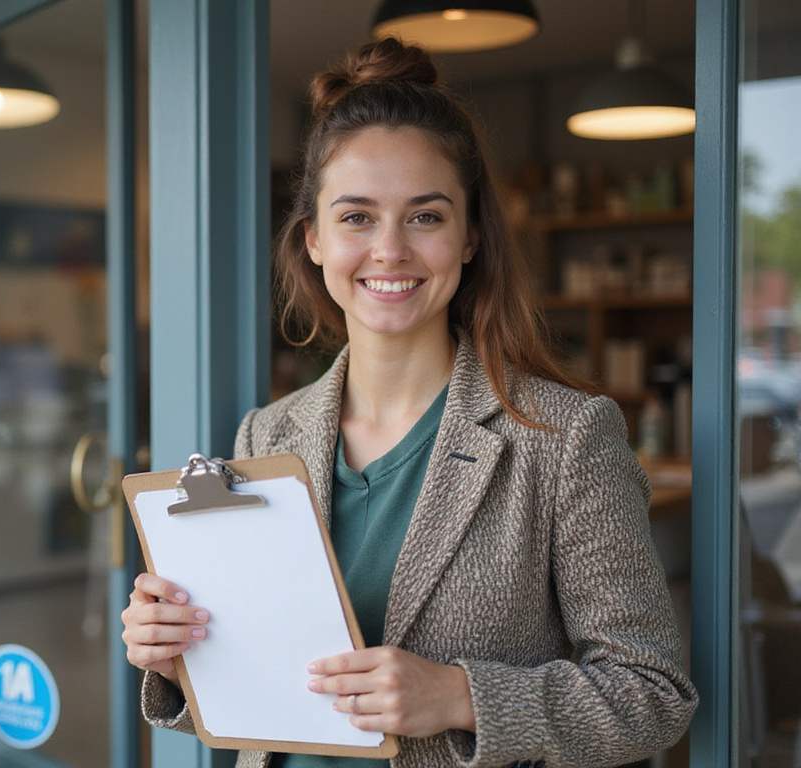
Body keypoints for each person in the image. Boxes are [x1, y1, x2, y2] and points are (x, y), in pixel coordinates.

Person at [121, 37, 698, 768]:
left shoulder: (565, 436)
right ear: (315, 239)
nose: (390, 250)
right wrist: (178, 656)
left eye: (425, 217)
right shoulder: (267, 432)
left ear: (470, 237)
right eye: (356, 217)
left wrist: (460, 696)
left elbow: (653, 696)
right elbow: (260, 683)